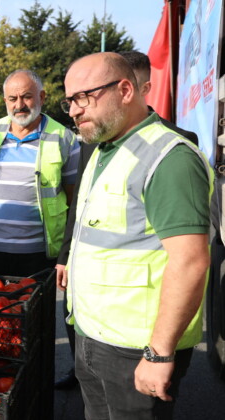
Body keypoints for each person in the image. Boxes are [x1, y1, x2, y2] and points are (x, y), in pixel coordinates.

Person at [62, 52, 211, 419]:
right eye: (69, 101)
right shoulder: (104, 151)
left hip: (135, 350)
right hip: (93, 336)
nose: (74, 111)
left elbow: (190, 261)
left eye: (83, 98)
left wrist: (159, 353)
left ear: (125, 90)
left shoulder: (169, 158)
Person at [0, 69, 79, 277]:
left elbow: (73, 197)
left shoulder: (64, 138)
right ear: (5, 101)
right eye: (12, 99)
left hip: (38, 254)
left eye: (26, 97)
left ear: (42, 97)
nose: (19, 105)